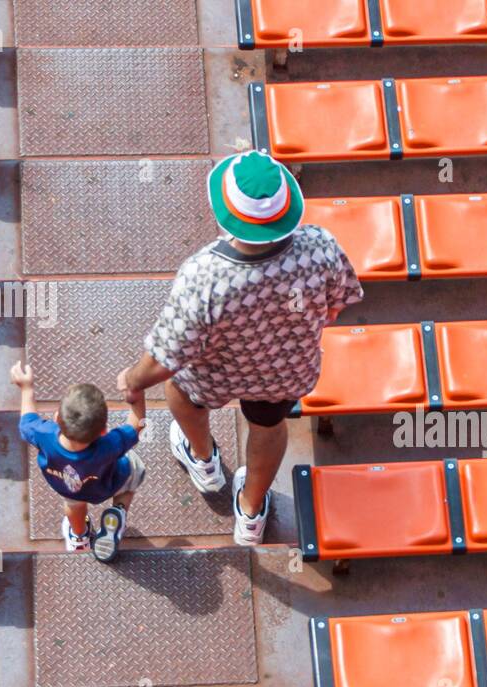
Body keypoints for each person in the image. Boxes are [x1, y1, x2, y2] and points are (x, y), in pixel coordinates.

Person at [117, 150, 363, 547]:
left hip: (213, 372)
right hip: (285, 370)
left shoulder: (205, 276)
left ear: (226, 214)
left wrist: (132, 380)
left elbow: (166, 359)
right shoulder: (321, 245)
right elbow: (336, 306)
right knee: (268, 426)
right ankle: (250, 512)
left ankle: (203, 461)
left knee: (181, 392)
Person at [13, 361, 146, 562]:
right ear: (103, 431)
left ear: (57, 418)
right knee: (134, 469)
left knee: (73, 505)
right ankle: (116, 512)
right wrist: (136, 393)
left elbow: (27, 421)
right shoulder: (109, 445)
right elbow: (137, 425)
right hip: (108, 483)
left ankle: (79, 536)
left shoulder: (44, 434)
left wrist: (26, 388)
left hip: (68, 487)